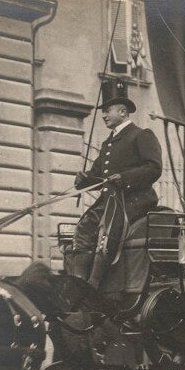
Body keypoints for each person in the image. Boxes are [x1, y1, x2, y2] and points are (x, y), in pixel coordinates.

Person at [71, 78, 162, 289]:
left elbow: (154, 168)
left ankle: (94, 285)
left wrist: (124, 177)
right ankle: (78, 283)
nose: (103, 115)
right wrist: (84, 180)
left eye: (107, 110)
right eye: (103, 111)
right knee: (83, 228)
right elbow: (98, 177)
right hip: (110, 201)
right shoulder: (108, 143)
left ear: (122, 111)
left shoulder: (141, 135)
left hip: (135, 201)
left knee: (108, 229)